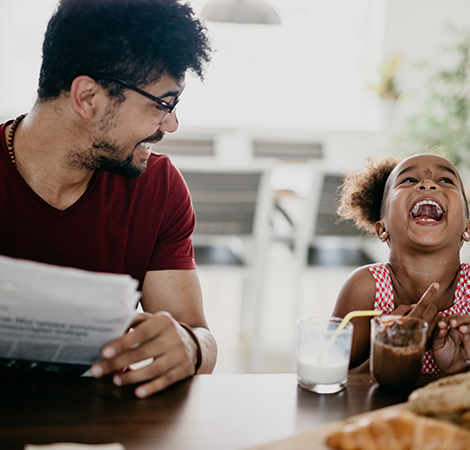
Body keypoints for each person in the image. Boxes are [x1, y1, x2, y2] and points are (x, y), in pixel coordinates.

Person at [0, 0, 217, 398]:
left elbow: (196, 332)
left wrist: (190, 347)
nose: (171, 124)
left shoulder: (159, 187)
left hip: (106, 423)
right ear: (87, 97)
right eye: (162, 104)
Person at [332, 152, 470, 375]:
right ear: (382, 228)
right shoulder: (365, 288)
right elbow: (328, 383)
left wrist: (461, 369)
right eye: (408, 180)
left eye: (445, 180)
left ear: (467, 227)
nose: (427, 184)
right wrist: (391, 351)